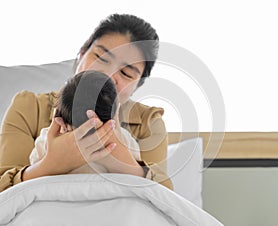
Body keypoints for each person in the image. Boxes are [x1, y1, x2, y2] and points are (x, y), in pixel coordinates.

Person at [0, 13, 173, 192]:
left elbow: (167, 195)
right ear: (81, 55)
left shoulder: (148, 122)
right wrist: (51, 164)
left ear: (137, 86)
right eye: (101, 58)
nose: (107, 75)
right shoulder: (29, 108)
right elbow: (3, 192)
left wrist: (122, 162)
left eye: (126, 74)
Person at [30, 70, 141, 174]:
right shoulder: (124, 140)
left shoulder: (47, 140)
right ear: (116, 112)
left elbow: (34, 166)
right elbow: (140, 173)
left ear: (60, 118)